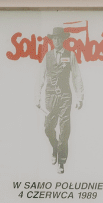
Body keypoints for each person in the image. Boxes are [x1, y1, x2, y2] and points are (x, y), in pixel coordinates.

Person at [37, 27, 84, 174]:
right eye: (54, 38)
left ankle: (61, 161)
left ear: (63, 39)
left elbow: (76, 76)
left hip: (65, 96)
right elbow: (41, 77)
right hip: (50, 96)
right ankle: (55, 147)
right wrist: (37, 96)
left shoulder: (70, 55)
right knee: (48, 127)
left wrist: (80, 97)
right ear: (52, 40)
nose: (56, 41)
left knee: (64, 128)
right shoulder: (47, 56)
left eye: (59, 38)